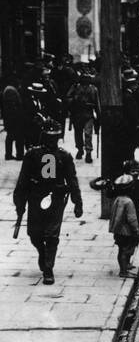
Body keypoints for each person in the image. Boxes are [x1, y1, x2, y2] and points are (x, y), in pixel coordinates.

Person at [13, 120, 83, 284]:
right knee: (34, 234)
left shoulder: (64, 156)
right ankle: (42, 253)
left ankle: (48, 268)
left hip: (56, 198)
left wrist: (77, 201)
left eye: (55, 137)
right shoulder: (32, 155)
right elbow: (23, 180)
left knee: (52, 234)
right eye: (49, 137)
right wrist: (20, 203)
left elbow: (72, 180)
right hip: (36, 197)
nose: (52, 140)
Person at [106, 159, 139, 278]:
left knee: (132, 243)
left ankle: (127, 263)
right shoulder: (122, 187)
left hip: (137, 216)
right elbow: (109, 194)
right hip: (127, 221)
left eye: (137, 171)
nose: (135, 173)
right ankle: (124, 269)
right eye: (133, 171)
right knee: (126, 244)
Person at [67, 67, 99, 163]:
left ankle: (88, 152)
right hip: (77, 113)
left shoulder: (94, 89)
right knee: (78, 134)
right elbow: (68, 97)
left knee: (88, 134)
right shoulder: (75, 87)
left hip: (88, 114)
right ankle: (80, 149)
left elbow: (97, 103)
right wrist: (75, 101)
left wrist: (99, 115)